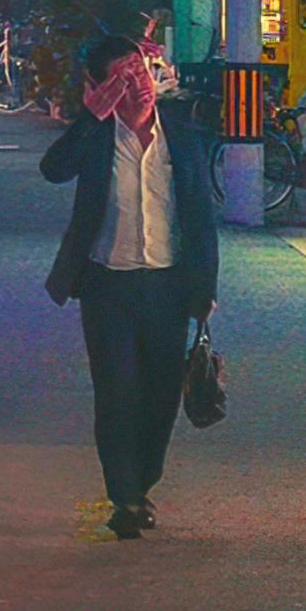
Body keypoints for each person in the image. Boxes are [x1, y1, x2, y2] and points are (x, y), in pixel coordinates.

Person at [37, 30, 227, 537]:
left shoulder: (181, 135)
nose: (137, 86)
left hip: (168, 285)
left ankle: (142, 484)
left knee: (161, 395)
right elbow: (52, 170)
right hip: (106, 285)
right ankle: (124, 497)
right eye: (121, 80)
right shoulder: (97, 137)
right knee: (116, 392)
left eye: (139, 73)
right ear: (100, 89)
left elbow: (200, 218)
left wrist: (205, 287)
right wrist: (91, 116)